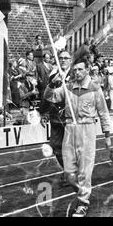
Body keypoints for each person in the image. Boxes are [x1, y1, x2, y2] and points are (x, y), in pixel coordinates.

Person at [43, 56, 111, 217]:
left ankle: (83, 203)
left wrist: (108, 137)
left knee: (84, 172)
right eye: (74, 70)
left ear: (87, 70)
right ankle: (83, 193)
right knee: (69, 174)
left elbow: (103, 113)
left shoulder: (95, 88)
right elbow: (49, 96)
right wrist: (52, 83)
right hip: (69, 130)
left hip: (87, 130)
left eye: (80, 69)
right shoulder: (67, 87)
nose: (77, 72)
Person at [39, 50, 72, 181]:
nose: (63, 60)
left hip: (70, 117)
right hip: (55, 116)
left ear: (70, 60)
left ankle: (72, 172)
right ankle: (66, 171)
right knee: (56, 146)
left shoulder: (75, 74)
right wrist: (44, 112)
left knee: (70, 147)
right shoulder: (53, 74)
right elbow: (47, 95)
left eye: (66, 58)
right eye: (61, 58)